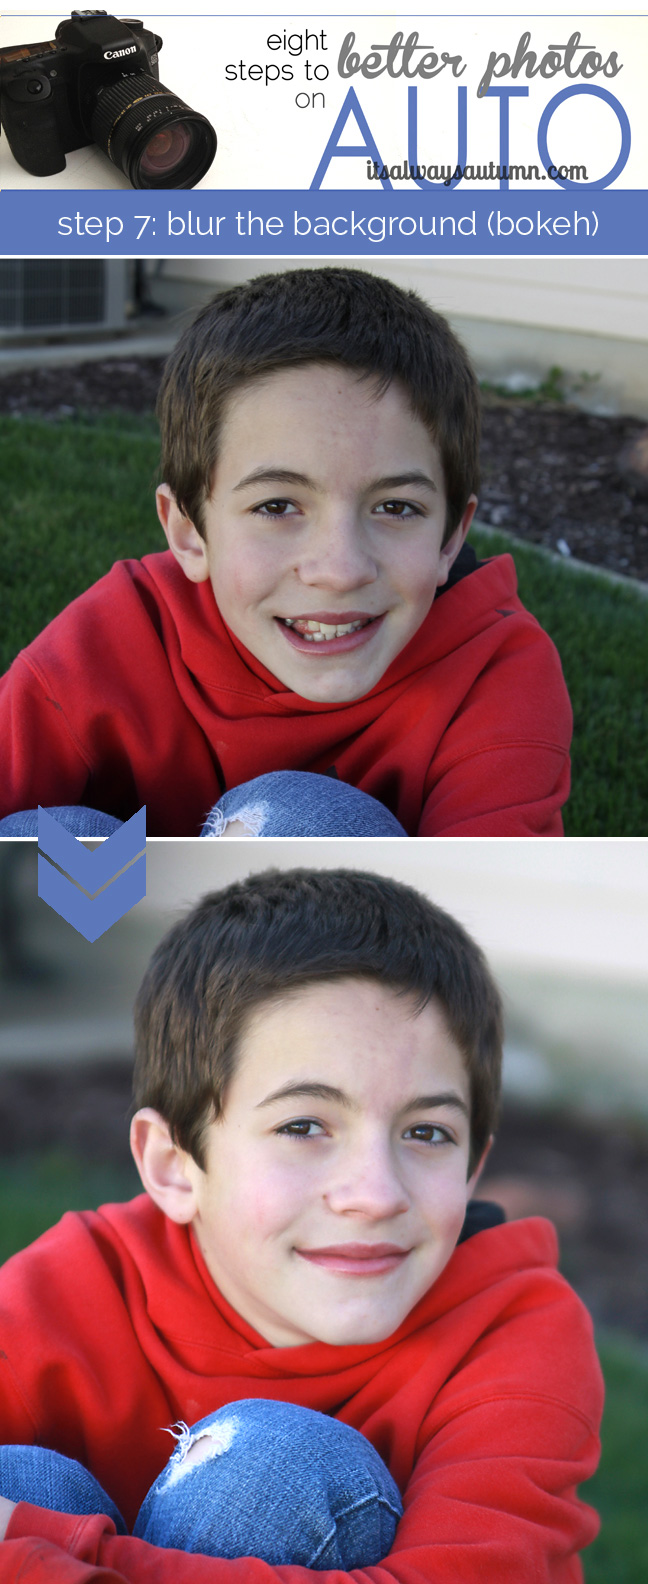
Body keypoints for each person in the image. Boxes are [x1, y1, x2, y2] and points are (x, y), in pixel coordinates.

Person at [0, 867, 602, 1583]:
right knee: (22, 1477)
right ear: (173, 1167)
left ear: (474, 1167)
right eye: (305, 1125)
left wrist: (46, 1549)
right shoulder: (78, 1285)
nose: (375, 1194)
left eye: (428, 1133)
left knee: (262, 1474)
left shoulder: (513, 1333)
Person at [0, 268, 571, 838]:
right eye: (277, 507)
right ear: (189, 533)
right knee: (44, 837)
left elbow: (487, 918)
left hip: (346, 928)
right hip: (122, 918)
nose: (340, 569)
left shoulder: (495, 671)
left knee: (297, 822)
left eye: (396, 508)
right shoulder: (112, 638)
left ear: (451, 537)